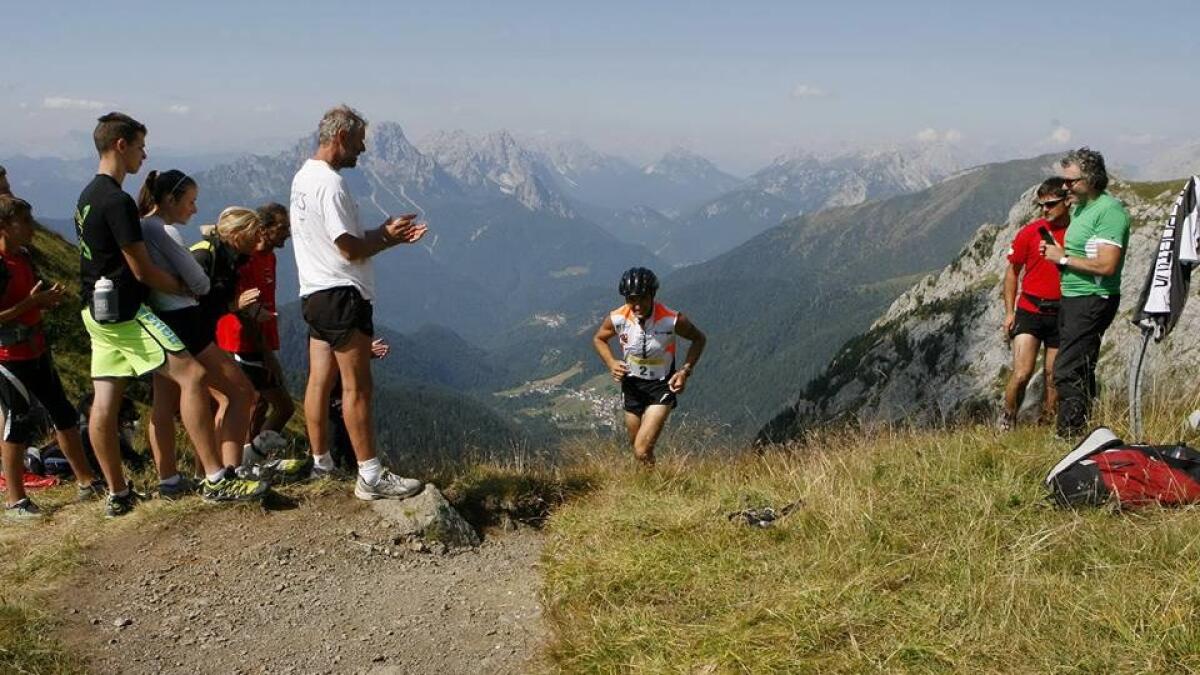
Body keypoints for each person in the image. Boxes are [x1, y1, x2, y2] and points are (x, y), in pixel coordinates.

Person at [74, 112, 262, 517]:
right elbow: (141, 269)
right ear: (120, 145)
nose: (144, 154)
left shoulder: (87, 196)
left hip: (94, 309)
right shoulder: (117, 200)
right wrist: (180, 287)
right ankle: (215, 478)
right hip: (126, 310)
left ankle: (118, 493)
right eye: (140, 146)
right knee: (192, 376)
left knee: (105, 400)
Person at [290, 105, 428, 500]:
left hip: (315, 293)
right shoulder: (331, 185)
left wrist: (383, 231)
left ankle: (322, 463)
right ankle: (371, 476)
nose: (363, 151)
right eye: (360, 142)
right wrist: (389, 238)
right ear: (342, 138)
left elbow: (336, 238)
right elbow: (349, 249)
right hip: (341, 295)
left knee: (319, 383)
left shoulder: (303, 176)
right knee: (357, 388)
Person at [137, 171, 268, 501]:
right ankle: (225, 473)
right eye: (191, 201)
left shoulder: (146, 227)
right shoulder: (169, 232)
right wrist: (211, 295)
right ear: (171, 199)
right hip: (185, 322)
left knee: (164, 404)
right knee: (239, 392)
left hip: (160, 322)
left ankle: (169, 480)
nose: (195, 210)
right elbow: (201, 284)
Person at [0, 196, 105, 520]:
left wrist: (44, 303)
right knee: (17, 424)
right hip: (8, 356)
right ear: (4, 226)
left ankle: (87, 480)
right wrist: (33, 305)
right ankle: (16, 501)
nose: (32, 228)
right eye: (25, 223)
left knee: (63, 412)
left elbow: (28, 300)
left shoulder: (24, 257)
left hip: (36, 348)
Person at [1041, 148, 1130, 438]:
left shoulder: (1109, 211)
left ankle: (1068, 434)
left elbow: (1107, 265)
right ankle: (1088, 431)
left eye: (1071, 181)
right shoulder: (1081, 207)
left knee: (1066, 368)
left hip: (1093, 298)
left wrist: (1063, 259)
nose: (1065, 187)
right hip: (1074, 296)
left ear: (1091, 179)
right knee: (1082, 364)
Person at [592, 267, 706, 466]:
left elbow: (699, 339)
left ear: (652, 295)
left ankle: (660, 487)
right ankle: (651, 484)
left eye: (642, 298)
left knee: (641, 449)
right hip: (632, 386)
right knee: (638, 449)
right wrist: (611, 362)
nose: (636, 305)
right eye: (630, 299)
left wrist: (685, 371)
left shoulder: (671, 319)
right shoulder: (618, 318)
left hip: (662, 385)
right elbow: (599, 338)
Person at [215, 202, 294, 443]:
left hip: (260, 339)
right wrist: (266, 352)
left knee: (260, 402)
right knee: (260, 402)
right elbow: (244, 311)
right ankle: (247, 456)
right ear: (265, 228)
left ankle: (250, 456)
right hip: (244, 342)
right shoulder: (248, 259)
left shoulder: (270, 257)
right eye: (283, 228)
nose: (288, 233)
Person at [999, 178, 1070, 429]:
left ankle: (1047, 425)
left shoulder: (1077, 232)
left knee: (1054, 376)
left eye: (1051, 204)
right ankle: (1007, 422)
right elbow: (1012, 272)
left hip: (1061, 313)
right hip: (1029, 310)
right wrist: (1009, 313)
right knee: (1021, 373)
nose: (1045, 210)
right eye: (1042, 205)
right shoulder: (1030, 232)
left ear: (1067, 201)